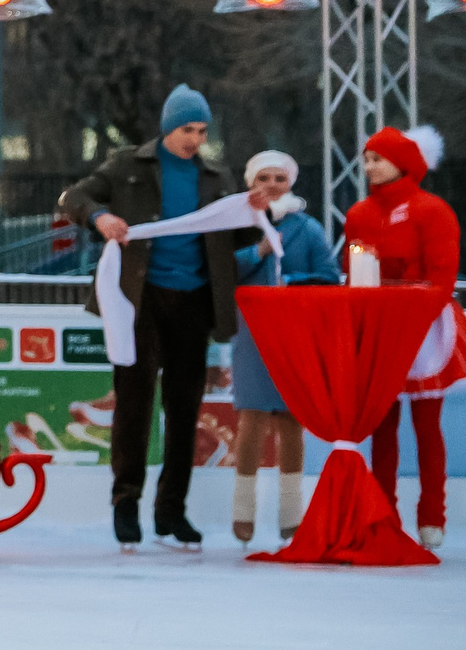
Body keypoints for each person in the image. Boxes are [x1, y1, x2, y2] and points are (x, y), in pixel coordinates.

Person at [60, 84, 258, 552]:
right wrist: (100, 217)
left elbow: (228, 237)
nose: (195, 139)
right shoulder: (127, 165)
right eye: (188, 129)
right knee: (134, 402)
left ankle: (171, 511)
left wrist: (256, 215)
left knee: (185, 409)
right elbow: (73, 198)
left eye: (202, 131)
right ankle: (126, 501)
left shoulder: (215, 175)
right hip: (140, 299)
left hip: (194, 301)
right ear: (169, 127)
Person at [346, 126, 466, 552]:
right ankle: (382, 516)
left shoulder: (432, 210)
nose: (369, 167)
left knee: (427, 425)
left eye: (377, 158)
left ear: (402, 162)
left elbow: (443, 275)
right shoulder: (359, 214)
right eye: (366, 160)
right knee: (382, 426)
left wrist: (412, 311)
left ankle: (432, 516)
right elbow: (356, 273)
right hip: (380, 327)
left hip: (423, 328)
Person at [227, 150, 337, 546]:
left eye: (280, 178)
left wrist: (291, 282)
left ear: (291, 182)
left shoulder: (307, 228)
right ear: (250, 183)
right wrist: (257, 252)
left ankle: (292, 514)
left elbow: (328, 276)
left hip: (294, 332)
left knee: (291, 419)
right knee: (252, 417)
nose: (272, 185)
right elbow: (220, 269)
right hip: (251, 333)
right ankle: (243, 511)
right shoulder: (237, 224)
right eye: (264, 178)